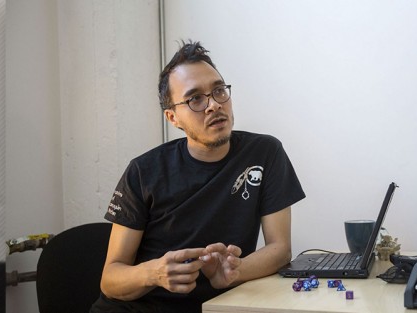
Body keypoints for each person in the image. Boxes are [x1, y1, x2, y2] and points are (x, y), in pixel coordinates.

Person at [90, 40, 306, 313]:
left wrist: (234, 272)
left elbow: (280, 249)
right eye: (195, 99)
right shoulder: (143, 172)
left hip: (218, 306)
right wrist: (154, 273)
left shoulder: (264, 153)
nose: (213, 105)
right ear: (172, 118)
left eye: (219, 91)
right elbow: (110, 280)